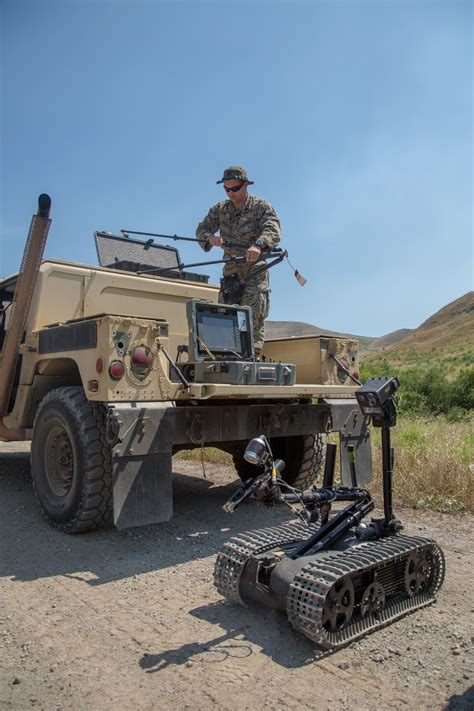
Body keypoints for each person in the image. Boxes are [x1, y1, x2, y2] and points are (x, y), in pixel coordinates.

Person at [196, 166, 281, 355]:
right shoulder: (220, 209)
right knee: (224, 323)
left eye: (235, 189)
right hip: (230, 275)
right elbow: (201, 229)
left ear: (245, 185)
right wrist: (210, 237)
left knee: (251, 324)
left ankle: (250, 362)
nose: (231, 193)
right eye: (227, 189)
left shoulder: (260, 207)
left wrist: (258, 245)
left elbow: (273, 230)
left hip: (254, 273)